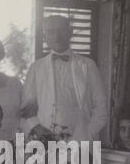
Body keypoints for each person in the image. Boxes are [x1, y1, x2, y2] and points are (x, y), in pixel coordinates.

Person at [20, 15, 107, 143]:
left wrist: (86, 135)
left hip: (83, 141)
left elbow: (101, 107)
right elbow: (26, 109)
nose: (56, 36)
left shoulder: (88, 65)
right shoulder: (36, 68)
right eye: (51, 32)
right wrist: (37, 129)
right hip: (45, 142)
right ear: (45, 37)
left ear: (70, 32)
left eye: (61, 30)